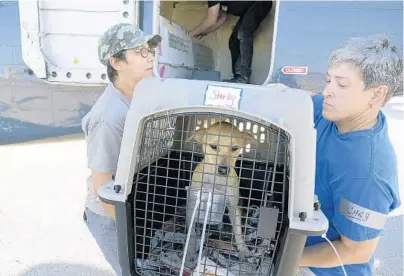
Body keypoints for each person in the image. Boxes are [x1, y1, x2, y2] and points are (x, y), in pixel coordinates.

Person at [271, 34, 402, 275]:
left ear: (376, 95)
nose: (327, 91)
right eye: (329, 80)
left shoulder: (367, 174)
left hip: (321, 269)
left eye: (341, 85)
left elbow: (356, 251)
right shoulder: (337, 113)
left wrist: (279, 258)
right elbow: (305, 101)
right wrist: (276, 93)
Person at [81, 23, 161, 221]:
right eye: (139, 51)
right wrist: (128, 233)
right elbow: (102, 185)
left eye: (149, 49)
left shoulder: (141, 94)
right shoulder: (108, 117)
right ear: (117, 63)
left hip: (134, 203)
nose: (150, 56)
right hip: (110, 216)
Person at [190, 1, 272, 84]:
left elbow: (211, 20)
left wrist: (188, 35)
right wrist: (205, 32)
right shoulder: (214, 3)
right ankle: (238, 76)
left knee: (243, 34)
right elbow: (222, 17)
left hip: (260, 3)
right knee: (233, 41)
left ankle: (243, 76)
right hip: (249, 10)